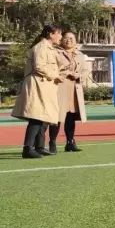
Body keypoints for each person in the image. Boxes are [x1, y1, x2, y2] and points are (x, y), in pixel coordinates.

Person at [13, 25, 63, 158]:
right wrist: (55, 76)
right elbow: (39, 66)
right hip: (38, 84)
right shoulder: (41, 47)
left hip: (44, 85)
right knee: (36, 116)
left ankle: (39, 146)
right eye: (59, 33)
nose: (61, 37)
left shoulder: (50, 48)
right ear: (51, 34)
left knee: (43, 117)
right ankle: (27, 148)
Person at [47, 31, 88, 154]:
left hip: (74, 89)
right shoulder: (55, 53)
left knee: (71, 116)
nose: (68, 40)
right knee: (57, 117)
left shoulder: (80, 55)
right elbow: (52, 69)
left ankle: (70, 142)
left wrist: (78, 75)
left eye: (71, 38)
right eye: (66, 38)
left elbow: (86, 70)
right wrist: (66, 73)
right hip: (60, 87)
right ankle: (52, 142)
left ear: (75, 41)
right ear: (61, 40)